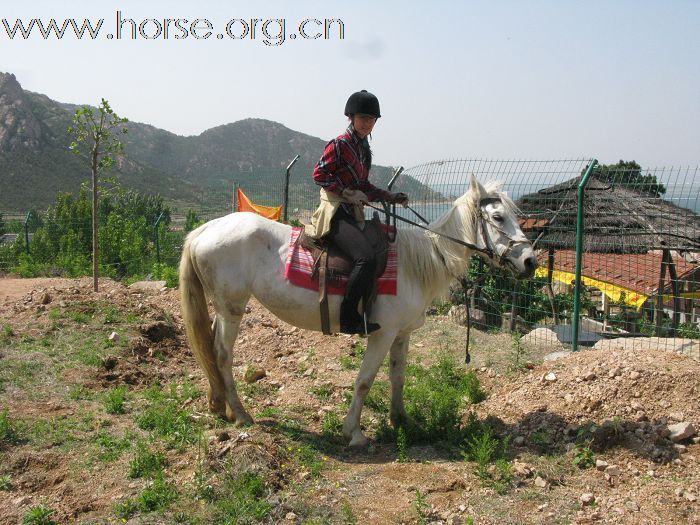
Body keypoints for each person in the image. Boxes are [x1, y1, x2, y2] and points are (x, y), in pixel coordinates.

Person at [306, 90, 408, 335]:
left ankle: (369, 309)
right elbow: (318, 174)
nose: (368, 123)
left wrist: (388, 196)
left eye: (372, 119)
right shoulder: (339, 145)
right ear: (351, 117)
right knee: (366, 258)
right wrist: (345, 193)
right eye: (363, 118)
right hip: (335, 212)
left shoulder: (364, 151)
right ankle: (348, 318)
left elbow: (363, 186)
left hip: (352, 212)